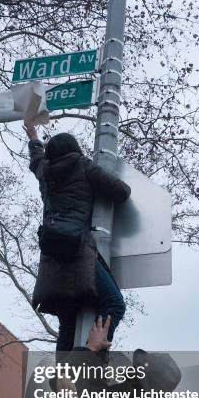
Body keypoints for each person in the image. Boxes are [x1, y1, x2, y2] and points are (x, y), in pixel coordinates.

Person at [24, 124, 131, 351]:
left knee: (68, 321)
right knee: (113, 303)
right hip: (78, 251)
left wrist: (34, 138)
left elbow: (36, 161)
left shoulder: (45, 172)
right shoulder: (84, 167)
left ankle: (63, 378)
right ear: (74, 149)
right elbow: (121, 192)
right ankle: (90, 355)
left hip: (51, 259)